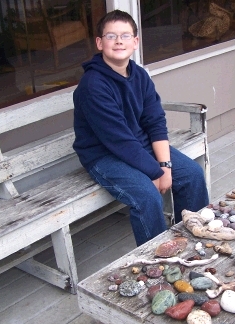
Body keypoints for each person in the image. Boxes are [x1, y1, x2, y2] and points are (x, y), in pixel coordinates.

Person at [73, 9, 209, 246]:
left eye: (125, 36)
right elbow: (118, 140)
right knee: (146, 195)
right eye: (111, 36)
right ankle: (156, 260)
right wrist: (156, 173)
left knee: (192, 175)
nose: (118, 41)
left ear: (135, 42)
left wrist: (164, 166)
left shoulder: (139, 75)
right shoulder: (93, 85)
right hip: (104, 155)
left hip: (138, 146)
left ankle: (192, 239)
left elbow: (154, 121)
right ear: (99, 42)